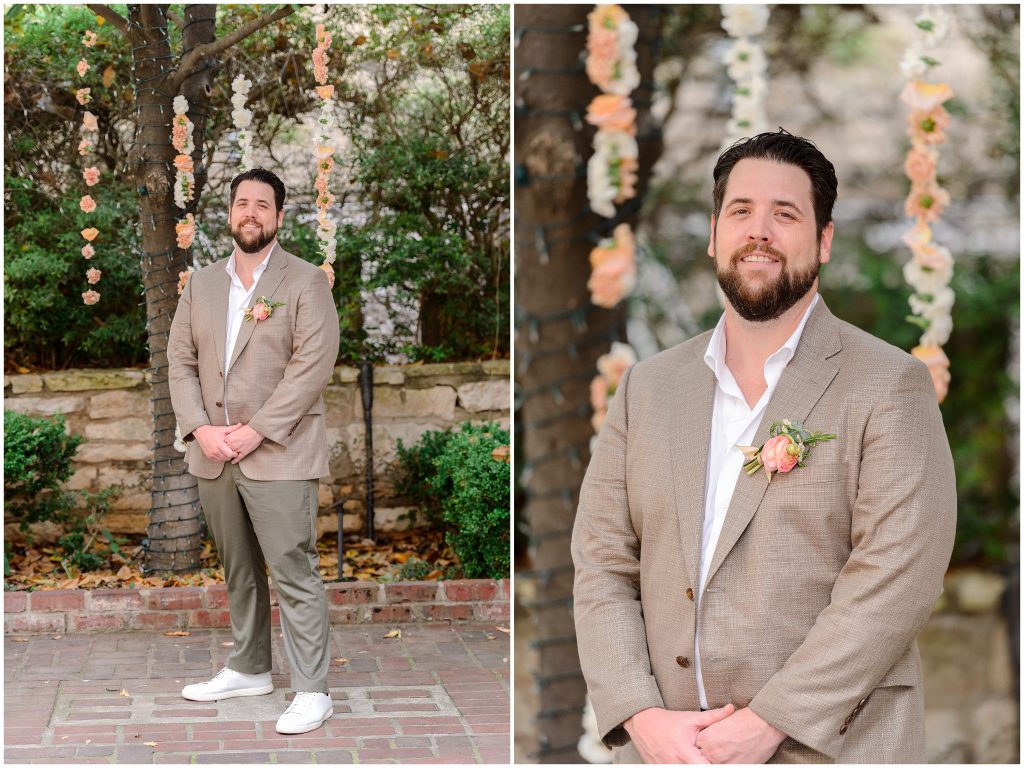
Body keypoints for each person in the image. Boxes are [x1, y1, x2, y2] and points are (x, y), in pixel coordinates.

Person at [571, 130, 956, 763]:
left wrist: (771, 721)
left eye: (786, 213)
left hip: (833, 748)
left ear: (823, 240)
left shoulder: (890, 385)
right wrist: (639, 714)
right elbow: (603, 561)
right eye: (741, 211)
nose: (760, 231)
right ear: (714, 234)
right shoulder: (649, 386)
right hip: (668, 752)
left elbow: (896, 578)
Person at [169, 167, 340, 735]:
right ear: (230, 213)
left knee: (293, 567)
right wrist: (199, 429)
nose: (251, 213)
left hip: (279, 452)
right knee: (238, 566)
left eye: (262, 205)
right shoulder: (202, 285)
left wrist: (256, 430)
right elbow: (180, 362)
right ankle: (248, 667)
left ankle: (312, 690)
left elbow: (311, 366)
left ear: (279, 216)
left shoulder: (305, 282)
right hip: (213, 452)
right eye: (242, 203)